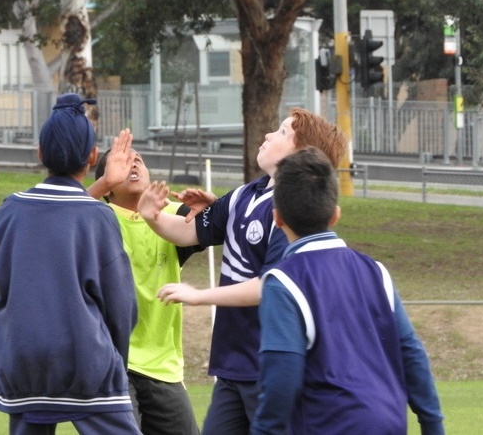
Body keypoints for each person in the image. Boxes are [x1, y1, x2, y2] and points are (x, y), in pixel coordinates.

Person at [137, 107, 347, 435]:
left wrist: (200, 295)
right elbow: (191, 231)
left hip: (270, 366)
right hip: (232, 366)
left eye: (281, 133)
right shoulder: (243, 196)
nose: (267, 135)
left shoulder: (288, 212)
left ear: (301, 154)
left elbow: (270, 286)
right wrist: (153, 217)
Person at [0, 93, 140, 435]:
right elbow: (121, 304)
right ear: (93, 156)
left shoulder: (10, 212)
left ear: (40, 153)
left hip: (21, 362)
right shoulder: (97, 217)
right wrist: (116, 359)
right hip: (87, 362)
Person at [253, 146, 445, 434]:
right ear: (336, 215)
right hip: (390, 424)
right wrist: (433, 424)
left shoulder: (283, 282)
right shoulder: (376, 272)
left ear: (277, 218)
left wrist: (265, 430)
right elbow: (411, 353)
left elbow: (282, 375)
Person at [88, 129, 201, 435]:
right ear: (109, 185)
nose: (134, 164)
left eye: (138, 160)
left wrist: (211, 206)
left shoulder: (172, 215)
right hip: (112, 361)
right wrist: (103, 183)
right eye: (124, 162)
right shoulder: (97, 216)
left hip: (163, 365)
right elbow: (61, 215)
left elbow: (222, 224)